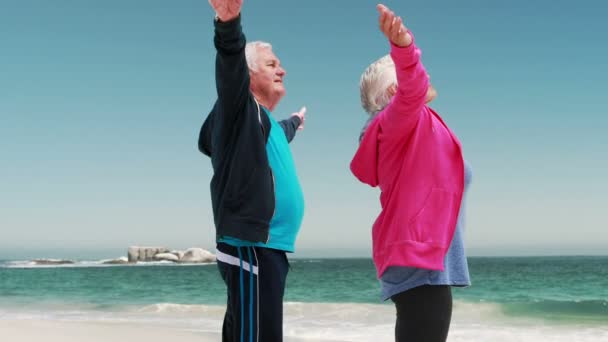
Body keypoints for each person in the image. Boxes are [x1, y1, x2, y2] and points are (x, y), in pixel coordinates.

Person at [350, 4, 472, 342]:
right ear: (395, 93)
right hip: (420, 258)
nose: (424, 73)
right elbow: (413, 88)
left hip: (423, 256)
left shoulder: (410, 128)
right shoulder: (397, 122)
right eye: (405, 76)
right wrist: (404, 47)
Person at [197, 1, 306, 341]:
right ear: (248, 75)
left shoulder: (265, 124)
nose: (282, 70)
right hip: (250, 245)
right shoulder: (239, 110)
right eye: (272, 64)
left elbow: (280, 134)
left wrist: (295, 122)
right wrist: (228, 25)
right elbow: (230, 64)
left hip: (268, 248)